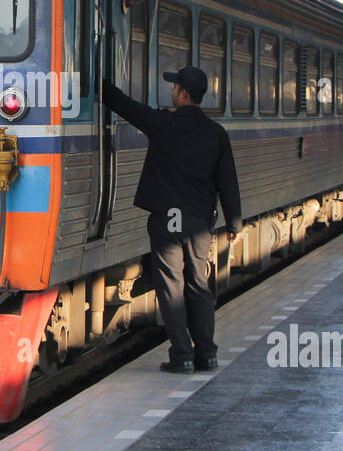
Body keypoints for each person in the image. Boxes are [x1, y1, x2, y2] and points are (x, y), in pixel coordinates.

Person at [103, 67, 243, 374]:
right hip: (197, 222)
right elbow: (228, 181)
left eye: (174, 86)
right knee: (199, 285)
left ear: (182, 93)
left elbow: (126, 106)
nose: (172, 91)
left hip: (170, 219)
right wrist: (235, 222)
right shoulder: (216, 133)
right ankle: (207, 354)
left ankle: (183, 355)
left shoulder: (164, 123)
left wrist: (98, 81)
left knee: (172, 286)